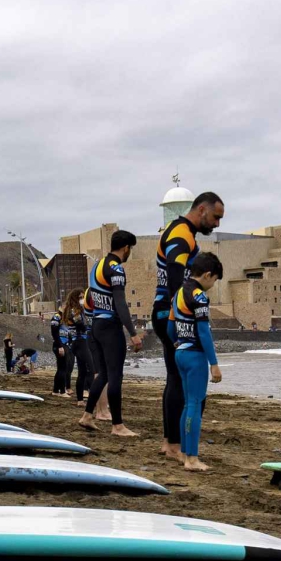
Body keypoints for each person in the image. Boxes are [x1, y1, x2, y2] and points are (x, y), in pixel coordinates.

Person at [151, 192, 224, 460]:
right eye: (216, 217)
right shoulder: (182, 233)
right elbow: (173, 276)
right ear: (201, 209)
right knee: (183, 384)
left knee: (175, 379)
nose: (217, 224)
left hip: (166, 313)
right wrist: (181, 313)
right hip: (169, 313)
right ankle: (174, 445)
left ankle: (169, 442)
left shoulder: (182, 233)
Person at [79, 230, 144, 436]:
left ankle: (87, 416)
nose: (130, 253)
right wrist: (132, 332)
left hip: (96, 326)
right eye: (130, 249)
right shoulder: (115, 269)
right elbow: (120, 303)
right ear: (126, 248)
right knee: (115, 375)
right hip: (110, 327)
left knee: (104, 374)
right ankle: (118, 426)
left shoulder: (97, 265)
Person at [173, 253, 225, 471]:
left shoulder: (178, 293)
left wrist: (176, 341)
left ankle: (185, 452)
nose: (212, 285)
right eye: (214, 281)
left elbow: (170, 325)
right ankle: (192, 459)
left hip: (181, 354)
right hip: (195, 357)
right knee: (195, 404)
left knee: (187, 404)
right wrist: (214, 364)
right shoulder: (199, 297)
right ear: (207, 275)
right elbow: (204, 332)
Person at [49, 305, 73, 396]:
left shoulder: (65, 319)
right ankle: (62, 391)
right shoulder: (57, 317)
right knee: (63, 368)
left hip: (64, 344)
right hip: (60, 344)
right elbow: (54, 333)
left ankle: (55, 390)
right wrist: (60, 346)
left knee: (60, 368)